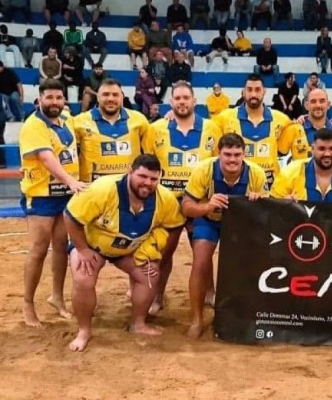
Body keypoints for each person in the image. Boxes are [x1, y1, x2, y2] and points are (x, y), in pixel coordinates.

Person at [64, 154, 185, 351]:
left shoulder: (165, 199)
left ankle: (138, 323)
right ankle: (83, 331)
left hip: (130, 249)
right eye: (142, 176)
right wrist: (82, 249)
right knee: (83, 278)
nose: (147, 183)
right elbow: (70, 217)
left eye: (153, 179)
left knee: (149, 275)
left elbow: (175, 226)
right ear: (130, 172)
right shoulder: (102, 189)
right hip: (93, 245)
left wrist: (160, 255)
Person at [143, 82, 221, 314]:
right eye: (177, 98)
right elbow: (148, 164)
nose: (182, 102)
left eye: (186, 98)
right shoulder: (156, 129)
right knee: (164, 252)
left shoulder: (212, 128)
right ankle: (157, 296)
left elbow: (217, 164)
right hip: (167, 203)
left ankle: (210, 292)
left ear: (194, 101)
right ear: (171, 102)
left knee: (202, 251)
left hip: (199, 202)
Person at [182, 134, 268, 337]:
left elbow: (267, 211)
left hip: (240, 224)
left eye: (237, 154)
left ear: (244, 154)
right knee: (200, 263)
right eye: (227, 154)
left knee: (245, 266)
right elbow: (186, 207)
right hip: (209, 220)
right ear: (218, 153)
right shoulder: (204, 170)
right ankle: (197, 319)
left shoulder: (256, 173)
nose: (232, 159)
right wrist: (207, 206)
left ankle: (242, 314)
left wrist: (259, 200)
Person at [18, 79, 86, 328]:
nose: (54, 102)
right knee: (38, 249)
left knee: (60, 246)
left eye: (58, 97)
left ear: (64, 100)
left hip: (64, 196)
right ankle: (27, 304)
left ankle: (56, 297)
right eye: (49, 97)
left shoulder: (67, 119)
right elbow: (47, 158)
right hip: (42, 195)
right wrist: (71, 181)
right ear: (39, 100)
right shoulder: (33, 125)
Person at [212, 74, 291, 185]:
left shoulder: (282, 119)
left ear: (264, 91)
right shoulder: (224, 118)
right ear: (243, 92)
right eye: (249, 90)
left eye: (257, 90)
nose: (253, 94)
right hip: (236, 187)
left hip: (271, 187)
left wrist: (302, 120)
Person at [73, 78, 149, 182]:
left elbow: (152, 150)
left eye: (115, 95)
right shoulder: (78, 121)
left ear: (122, 97)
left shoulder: (139, 119)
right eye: (105, 94)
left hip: (128, 188)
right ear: (98, 97)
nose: (110, 99)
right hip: (93, 188)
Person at [278, 88, 332, 160]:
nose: (318, 105)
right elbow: (279, 155)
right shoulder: (292, 130)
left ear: (328, 104)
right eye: (313, 101)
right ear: (306, 105)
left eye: (322, 101)